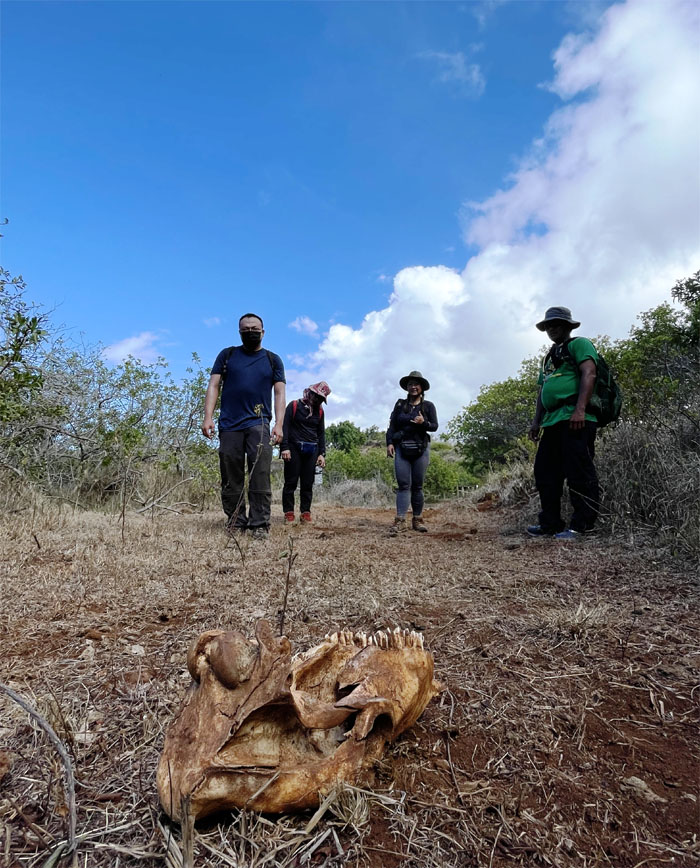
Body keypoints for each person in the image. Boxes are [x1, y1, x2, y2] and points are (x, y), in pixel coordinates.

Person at [202, 313, 286, 538]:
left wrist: (279, 424)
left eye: (254, 328)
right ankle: (236, 521)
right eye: (246, 329)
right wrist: (207, 417)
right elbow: (213, 385)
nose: (250, 332)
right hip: (229, 424)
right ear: (239, 332)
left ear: (263, 331)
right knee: (231, 474)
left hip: (259, 423)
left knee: (260, 473)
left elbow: (279, 392)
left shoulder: (272, 359)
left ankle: (259, 524)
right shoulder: (227, 355)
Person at [527, 306, 600, 540]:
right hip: (553, 421)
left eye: (556, 324)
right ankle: (550, 524)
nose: (552, 329)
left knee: (578, 471)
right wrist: (536, 421)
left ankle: (582, 526)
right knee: (545, 472)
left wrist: (579, 410)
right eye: (548, 325)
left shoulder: (579, 344)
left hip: (576, 418)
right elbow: (542, 390)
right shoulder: (549, 357)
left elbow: (589, 373)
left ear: (568, 326)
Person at [386, 371, 438, 535]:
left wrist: (424, 423)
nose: (413, 387)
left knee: (417, 485)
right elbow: (392, 426)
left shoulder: (428, 406)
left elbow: (434, 426)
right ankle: (400, 520)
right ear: (407, 387)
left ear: (422, 387)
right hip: (402, 447)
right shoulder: (400, 405)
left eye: (416, 384)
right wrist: (389, 443)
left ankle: (417, 519)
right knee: (403, 485)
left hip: (421, 448)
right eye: (410, 384)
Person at [280, 381, 331, 524]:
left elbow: (321, 433)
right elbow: (285, 427)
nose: (317, 400)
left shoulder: (320, 412)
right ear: (311, 393)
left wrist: (322, 453)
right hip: (293, 448)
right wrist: (285, 447)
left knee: (308, 483)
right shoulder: (294, 406)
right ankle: (289, 513)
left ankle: (305, 512)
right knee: (291, 482)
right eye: (317, 396)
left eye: (321, 398)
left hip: (312, 450)